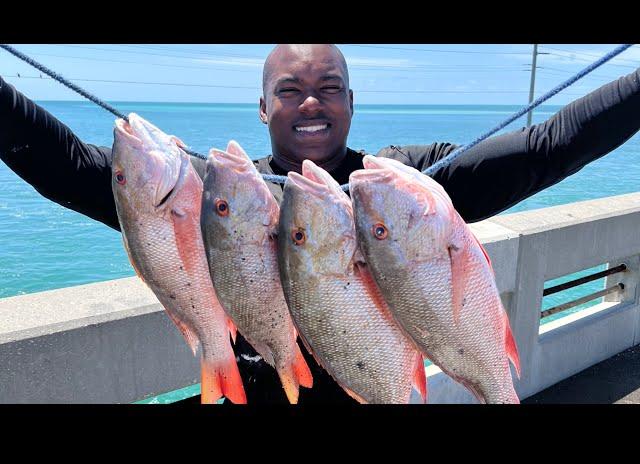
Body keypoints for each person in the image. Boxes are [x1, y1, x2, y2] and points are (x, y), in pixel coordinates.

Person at [1, 44, 639, 404]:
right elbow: (76, 170)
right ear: (261, 107)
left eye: (329, 86)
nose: (311, 101)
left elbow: (547, 147)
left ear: (352, 103)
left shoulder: (397, 188)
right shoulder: (224, 197)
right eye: (289, 89)